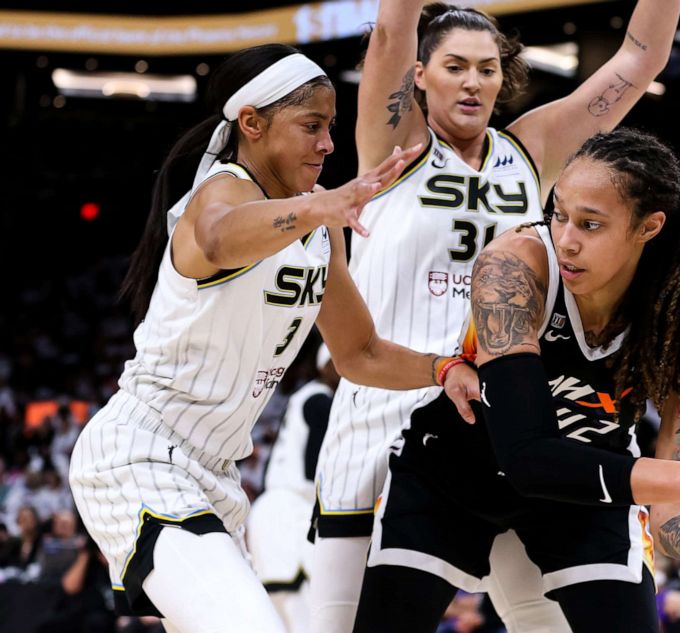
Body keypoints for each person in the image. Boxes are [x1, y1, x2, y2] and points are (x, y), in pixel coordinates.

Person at [67, 43, 476, 633]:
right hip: (142, 455)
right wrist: (317, 210)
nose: (328, 144)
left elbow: (360, 354)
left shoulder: (317, 229)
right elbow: (217, 240)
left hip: (219, 477)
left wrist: (444, 368)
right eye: (311, 126)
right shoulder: (221, 191)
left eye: (330, 127)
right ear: (252, 124)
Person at [312, 1, 680, 630]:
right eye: (454, 66)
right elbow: (388, 32)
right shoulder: (394, 143)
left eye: (487, 69)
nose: (473, 81)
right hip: (384, 414)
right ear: (419, 74)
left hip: (506, 425)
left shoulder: (531, 149)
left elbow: (639, 58)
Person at [350, 128, 680, 633]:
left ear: (648, 227)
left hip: (588, 493)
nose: (566, 238)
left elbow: (676, 518)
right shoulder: (515, 267)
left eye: (590, 224)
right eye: (559, 213)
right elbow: (528, 457)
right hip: (453, 473)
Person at [246, 344, 339, 633]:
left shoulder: (304, 397)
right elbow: (315, 472)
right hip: (293, 512)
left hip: (270, 511)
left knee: (278, 618)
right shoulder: (320, 401)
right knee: (309, 616)